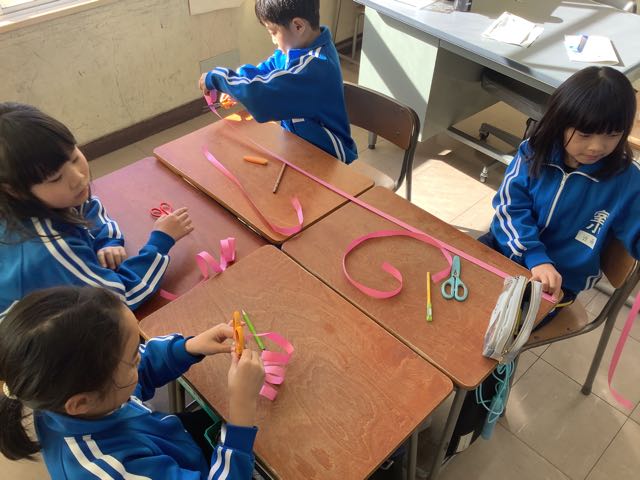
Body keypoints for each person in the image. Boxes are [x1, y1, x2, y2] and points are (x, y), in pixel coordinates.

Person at [0, 286, 265, 479]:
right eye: (133, 358)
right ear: (81, 402)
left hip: (172, 443)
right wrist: (241, 410)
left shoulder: (71, 393)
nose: (141, 356)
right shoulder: (112, 469)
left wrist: (189, 347)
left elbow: (143, 366)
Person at [0, 102, 193, 317]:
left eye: (74, 158)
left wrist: (107, 241)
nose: (78, 178)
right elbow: (118, 302)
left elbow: (87, 205)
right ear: (15, 190)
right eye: (55, 178)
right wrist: (161, 241)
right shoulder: (51, 249)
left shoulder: (42, 198)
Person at [480, 66, 640, 325]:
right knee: (447, 292)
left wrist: (543, 266)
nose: (597, 146)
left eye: (613, 135)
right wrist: (534, 256)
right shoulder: (534, 150)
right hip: (503, 249)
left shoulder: (627, 180)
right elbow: (510, 207)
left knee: (495, 329)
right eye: (585, 134)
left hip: (557, 282)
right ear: (561, 123)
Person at [198, 0, 357, 164]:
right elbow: (266, 71)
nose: (273, 40)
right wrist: (236, 85)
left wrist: (217, 78)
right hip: (300, 148)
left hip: (331, 159)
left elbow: (261, 96)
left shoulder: (315, 67)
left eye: (273, 32)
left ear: (298, 26)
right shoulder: (297, 51)